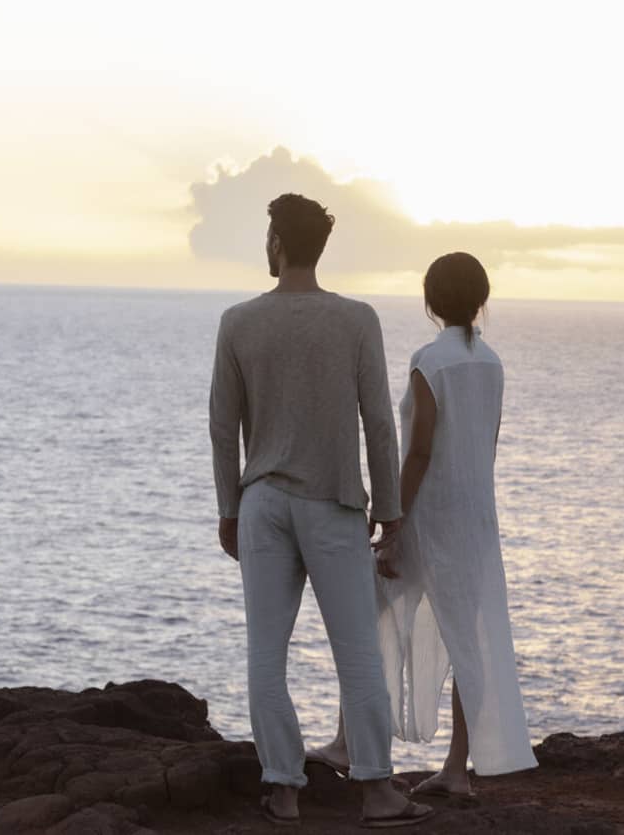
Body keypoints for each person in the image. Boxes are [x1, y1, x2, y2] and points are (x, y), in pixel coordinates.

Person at [209, 193, 432, 828]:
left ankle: (283, 792)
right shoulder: (357, 319)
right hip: (335, 503)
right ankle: (377, 792)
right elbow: (379, 424)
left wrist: (230, 508)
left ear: (277, 244)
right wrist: (389, 508)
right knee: (358, 652)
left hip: (263, 503)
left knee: (265, 656)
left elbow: (223, 429)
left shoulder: (237, 321)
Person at [308, 252, 538, 796]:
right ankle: (456, 770)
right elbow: (488, 444)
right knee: (468, 641)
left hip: (427, 518)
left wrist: (391, 521)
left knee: (366, 619)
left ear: (431, 301)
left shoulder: (428, 362)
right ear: (480, 301)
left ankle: (350, 741)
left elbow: (418, 453)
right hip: (475, 519)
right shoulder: (493, 363)